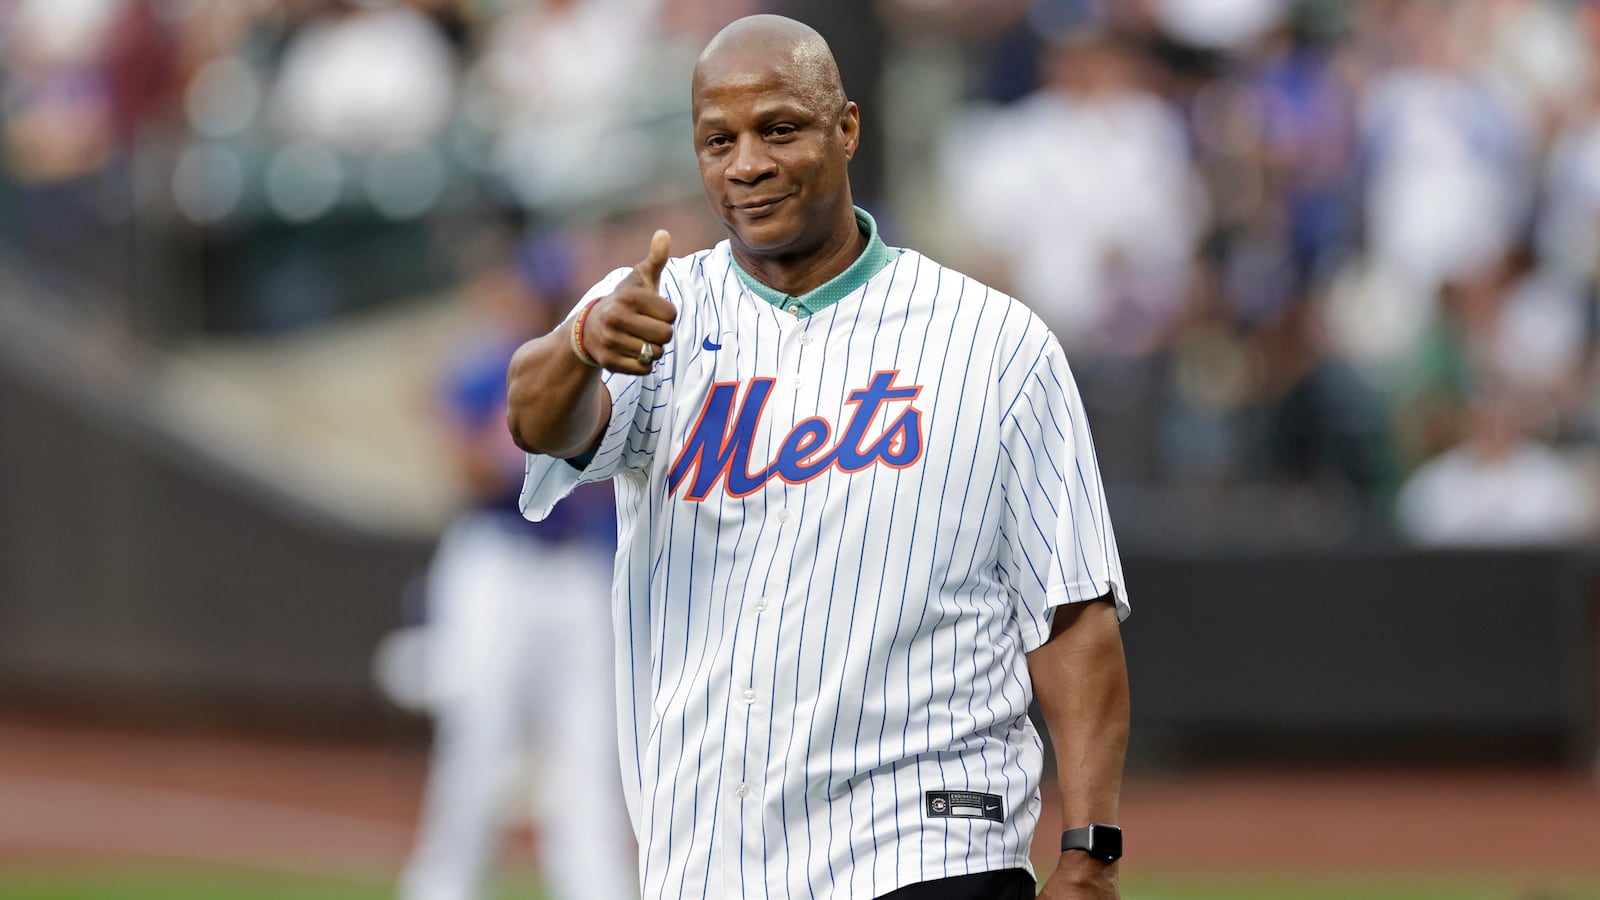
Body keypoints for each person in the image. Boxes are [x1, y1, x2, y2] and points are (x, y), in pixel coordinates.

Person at [506, 15, 1130, 900]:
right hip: (710, 850)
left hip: (931, 844)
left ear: (846, 130)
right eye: (718, 140)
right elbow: (536, 420)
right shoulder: (649, 313)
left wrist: (1090, 845)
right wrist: (582, 340)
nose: (746, 163)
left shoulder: (996, 344)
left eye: (779, 129)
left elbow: (1073, 615)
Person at [401, 234, 636, 900]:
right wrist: (531, 452)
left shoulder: (615, 367)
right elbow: (464, 462)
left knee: (590, 765)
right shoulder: (497, 357)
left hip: (582, 571)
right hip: (498, 563)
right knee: (479, 745)